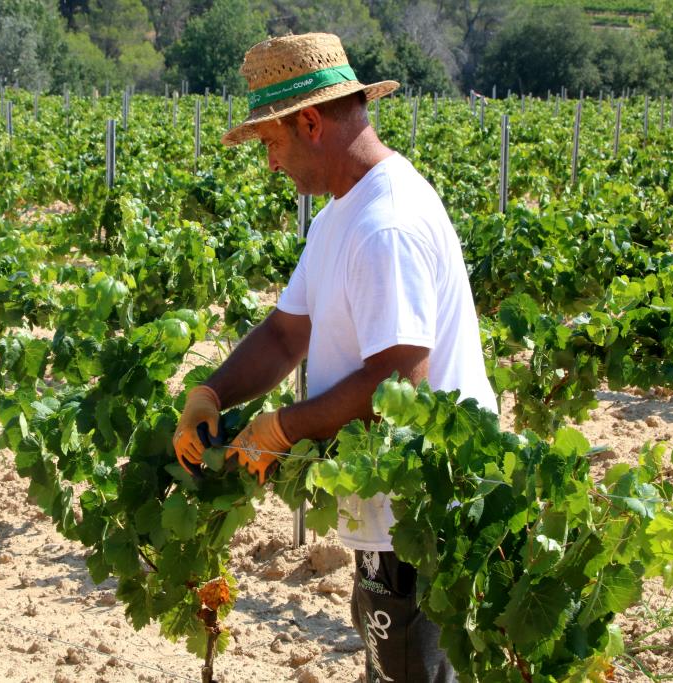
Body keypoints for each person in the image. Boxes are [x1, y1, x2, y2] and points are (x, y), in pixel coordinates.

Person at [171, 33, 497, 683]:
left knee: (412, 670)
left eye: (271, 142)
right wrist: (211, 394)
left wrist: (282, 428)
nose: (270, 163)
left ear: (311, 122)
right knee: (391, 664)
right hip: (388, 510)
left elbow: (397, 384)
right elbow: (287, 334)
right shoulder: (341, 218)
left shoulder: (386, 225)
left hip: (422, 514)